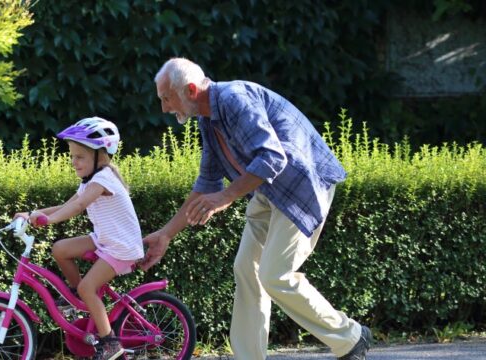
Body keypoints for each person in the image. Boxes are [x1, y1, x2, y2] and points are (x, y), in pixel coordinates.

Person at [141, 58, 372, 360]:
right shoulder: (208, 120)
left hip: (300, 188)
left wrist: (226, 197)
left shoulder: (234, 98)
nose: (165, 108)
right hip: (266, 192)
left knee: (275, 274)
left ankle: (351, 338)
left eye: (167, 98)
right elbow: (206, 184)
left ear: (191, 90)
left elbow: (273, 157)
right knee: (245, 268)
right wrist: (166, 235)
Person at [14, 117, 143, 360]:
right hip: (105, 239)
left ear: (101, 156)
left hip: (120, 247)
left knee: (88, 287)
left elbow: (81, 206)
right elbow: (67, 204)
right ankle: (76, 298)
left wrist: (49, 221)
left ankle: (110, 343)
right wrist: (33, 214)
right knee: (60, 249)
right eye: (72, 156)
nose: (74, 162)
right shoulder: (90, 181)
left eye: (80, 157)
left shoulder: (103, 180)